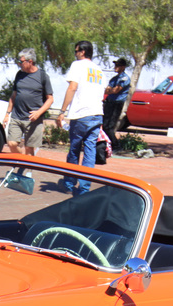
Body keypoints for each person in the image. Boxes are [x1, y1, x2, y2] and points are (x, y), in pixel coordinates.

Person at [55, 41, 105, 195]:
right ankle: (84, 188)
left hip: (81, 113)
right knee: (90, 151)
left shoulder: (77, 65)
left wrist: (62, 110)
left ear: (82, 52)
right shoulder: (99, 70)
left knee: (74, 150)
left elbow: (72, 87)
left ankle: (69, 183)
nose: (75, 54)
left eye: (76, 51)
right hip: (97, 113)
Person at [3, 48, 53, 157]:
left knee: (29, 148)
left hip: (33, 119)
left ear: (30, 62)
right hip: (17, 116)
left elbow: (50, 99)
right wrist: (7, 114)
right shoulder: (19, 75)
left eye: (21, 62)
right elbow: (13, 96)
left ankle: (27, 172)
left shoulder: (42, 76)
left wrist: (38, 113)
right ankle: (23, 160)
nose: (19, 64)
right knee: (11, 143)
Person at [103, 58, 131, 145]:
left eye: (118, 65)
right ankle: (107, 144)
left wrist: (110, 90)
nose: (116, 67)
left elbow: (116, 90)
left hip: (116, 104)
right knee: (104, 125)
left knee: (110, 126)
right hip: (109, 102)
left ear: (123, 67)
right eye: (115, 65)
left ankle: (116, 144)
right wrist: (110, 90)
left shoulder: (125, 78)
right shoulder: (114, 79)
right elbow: (107, 90)